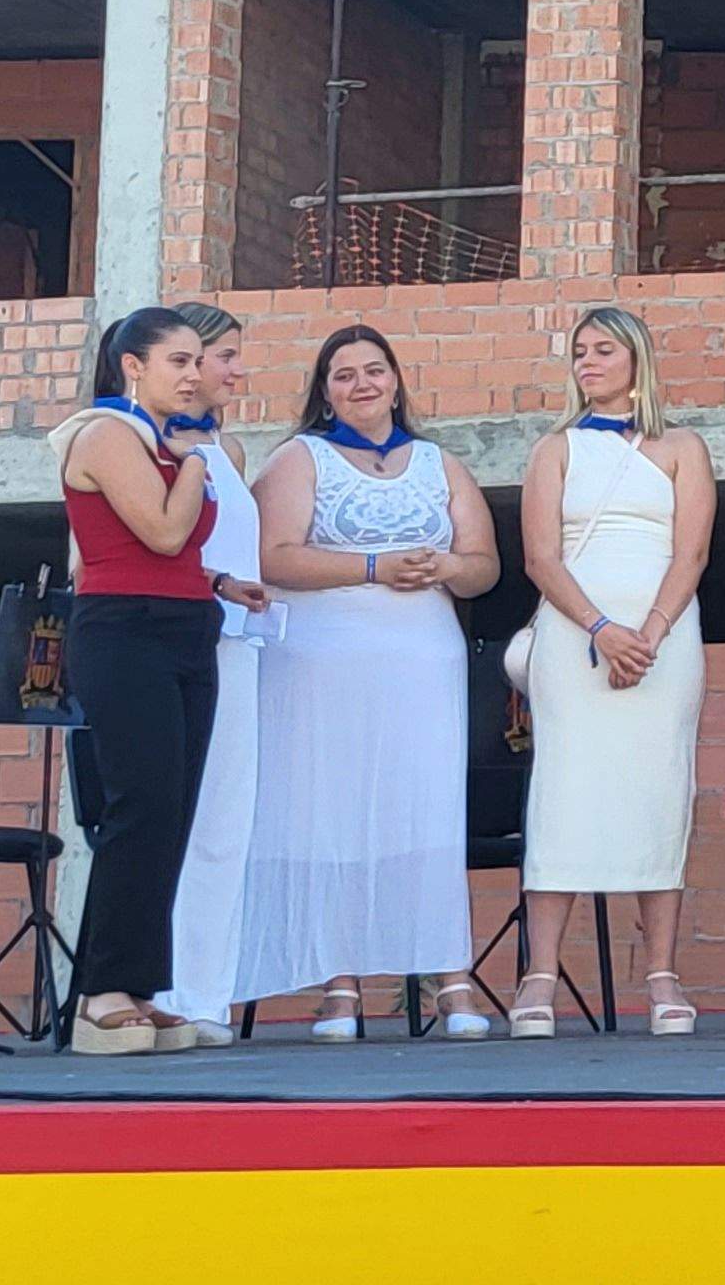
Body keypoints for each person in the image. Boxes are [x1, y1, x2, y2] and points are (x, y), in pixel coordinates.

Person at [177, 323, 496, 1041]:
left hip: (422, 660)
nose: (362, 385)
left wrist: (446, 568)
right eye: (345, 374)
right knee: (333, 813)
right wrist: (374, 567)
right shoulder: (302, 457)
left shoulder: (439, 461)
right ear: (325, 390)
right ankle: (340, 983)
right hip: (324, 661)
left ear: (396, 381)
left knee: (425, 812)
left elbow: (484, 562)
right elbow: (273, 555)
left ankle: (450, 974)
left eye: (374, 371)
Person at [50, 309, 264, 1055]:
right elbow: (161, 533)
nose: (193, 374)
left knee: (171, 810)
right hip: (123, 631)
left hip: (185, 625)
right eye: (178, 361)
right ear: (132, 367)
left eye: (196, 361)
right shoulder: (106, 434)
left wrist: (223, 582)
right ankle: (99, 991)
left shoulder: (164, 443)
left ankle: (142, 987)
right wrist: (201, 457)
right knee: (138, 804)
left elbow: (173, 555)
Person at [511, 307, 718, 1038]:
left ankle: (661, 972)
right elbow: (541, 557)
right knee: (564, 792)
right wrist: (601, 628)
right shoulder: (553, 449)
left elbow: (690, 555)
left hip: (663, 639)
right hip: (575, 636)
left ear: (637, 360)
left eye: (603, 350)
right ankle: (539, 974)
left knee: (659, 790)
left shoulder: (682, 447)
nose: (588, 362)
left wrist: (649, 636)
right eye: (579, 352)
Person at [149, 302, 268, 1046]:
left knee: (225, 824)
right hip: (186, 642)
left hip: (240, 643)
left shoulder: (233, 452)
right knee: (179, 820)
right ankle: (163, 988)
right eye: (221, 355)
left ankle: (205, 994)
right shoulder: (150, 442)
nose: (231, 370)